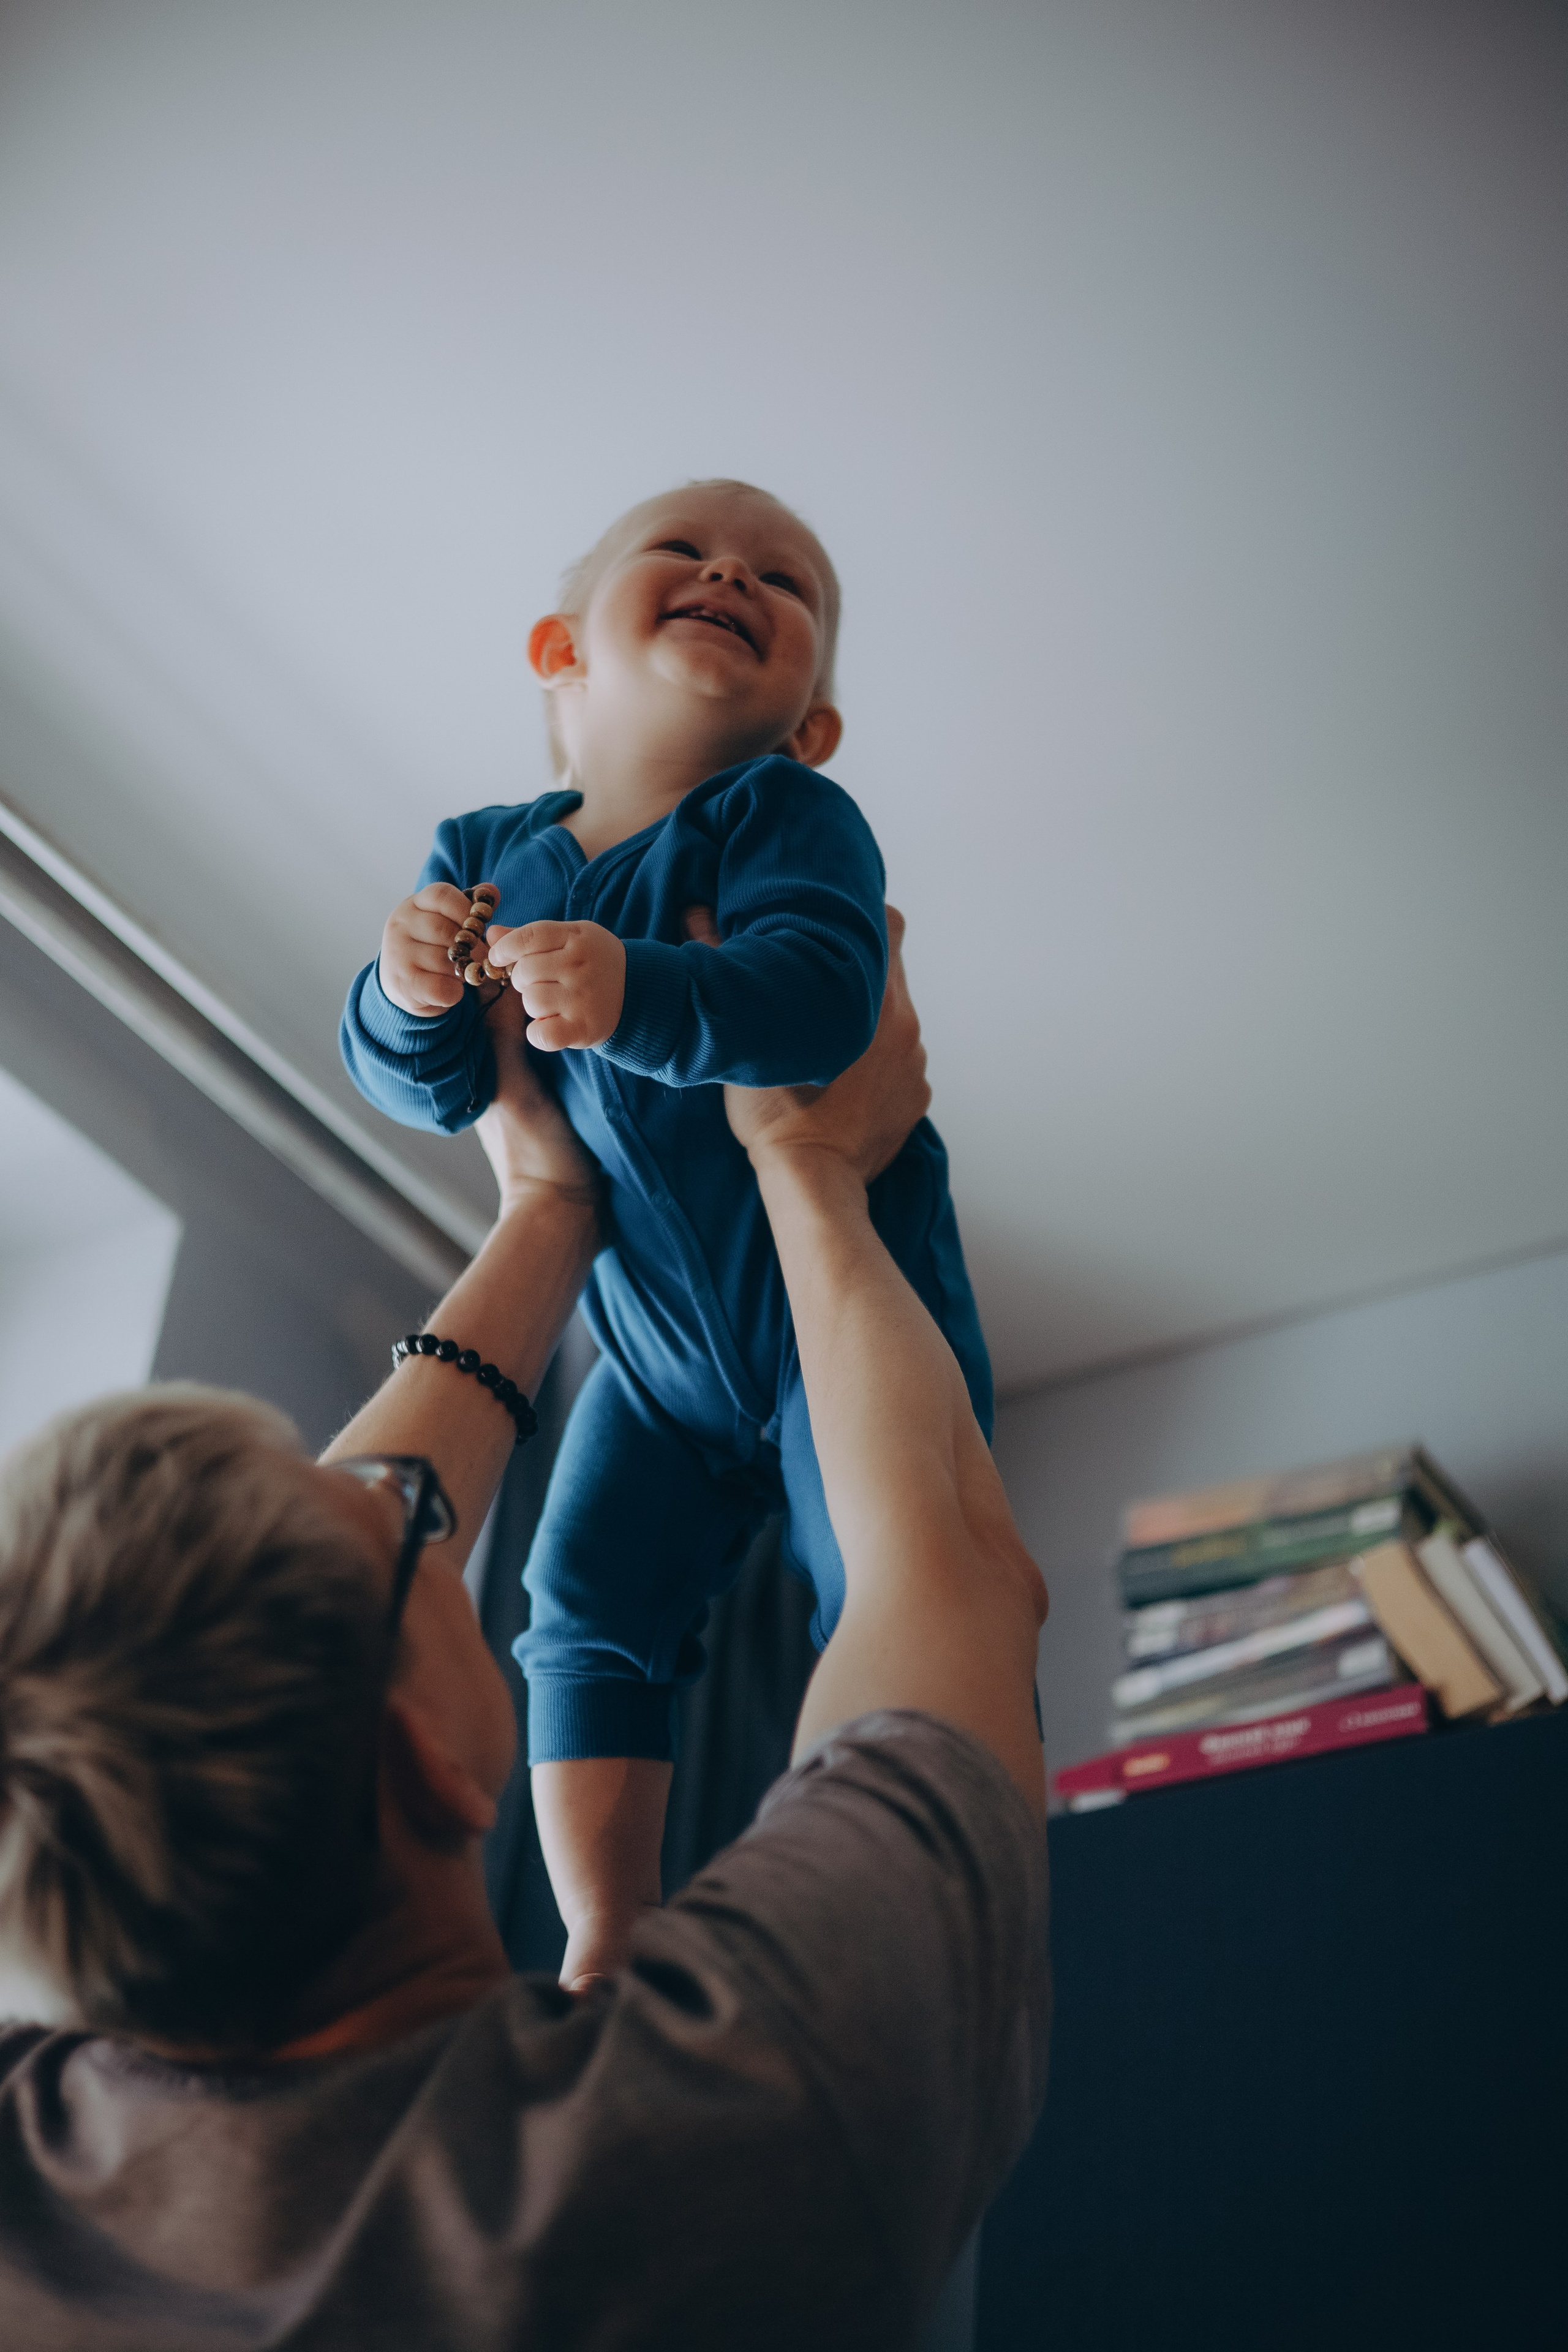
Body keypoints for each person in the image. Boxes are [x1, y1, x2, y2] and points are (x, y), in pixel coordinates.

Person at [0, 950, 1048, 2352]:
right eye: (403, 1525)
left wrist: (548, 1209)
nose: (410, 1495)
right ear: (422, 1757)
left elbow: (296, 1609)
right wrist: (811, 1170)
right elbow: (955, 1580)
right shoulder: (732, 2110)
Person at [339, 478, 995, 1985]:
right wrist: (408, 996)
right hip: (643, 1354)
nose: (729, 572)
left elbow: (824, 995)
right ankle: (603, 1936)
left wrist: (639, 993)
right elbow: (429, 1085)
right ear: (558, 647)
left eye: (783, 581)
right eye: (686, 551)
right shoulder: (484, 848)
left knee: (888, 1575)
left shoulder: (785, 816)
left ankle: (875, 1928)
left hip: (833, 1314)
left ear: (811, 720)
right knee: (576, 1610)